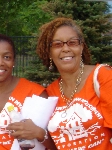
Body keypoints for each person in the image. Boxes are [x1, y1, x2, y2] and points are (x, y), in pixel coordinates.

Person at [0, 34, 57, 150]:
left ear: (13, 61)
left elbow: (58, 144)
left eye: (7, 57)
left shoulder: (35, 93)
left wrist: (39, 133)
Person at [36, 17, 112, 149]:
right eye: (57, 44)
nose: (66, 48)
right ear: (49, 52)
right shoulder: (50, 93)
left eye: (72, 42)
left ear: (81, 47)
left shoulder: (103, 77)